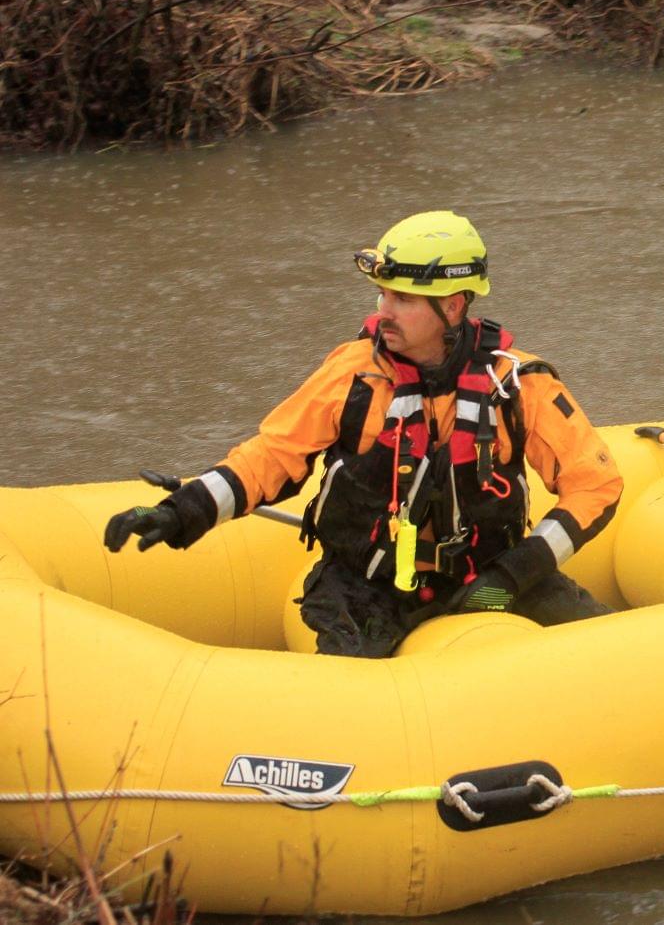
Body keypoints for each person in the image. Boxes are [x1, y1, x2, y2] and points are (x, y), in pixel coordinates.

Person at [103, 210, 623, 657]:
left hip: (491, 576)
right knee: (349, 694)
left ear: (455, 306)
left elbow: (596, 484)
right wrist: (182, 511)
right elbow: (272, 455)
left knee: (613, 658)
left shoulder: (518, 383)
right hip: (365, 588)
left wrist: (513, 575)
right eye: (382, 295)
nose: (383, 312)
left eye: (402, 299)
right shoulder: (352, 376)